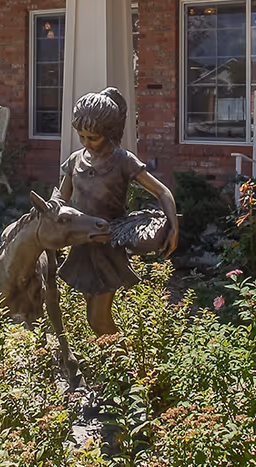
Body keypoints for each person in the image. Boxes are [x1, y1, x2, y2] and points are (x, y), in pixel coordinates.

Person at [54, 87, 179, 336]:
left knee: (98, 320)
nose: (86, 143)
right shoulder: (75, 161)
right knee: (91, 314)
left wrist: (173, 226)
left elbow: (162, 192)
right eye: (81, 136)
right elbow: (59, 200)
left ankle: (122, 364)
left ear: (108, 133)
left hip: (107, 247)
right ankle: (110, 363)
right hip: (82, 246)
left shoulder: (123, 161)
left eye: (93, 137)